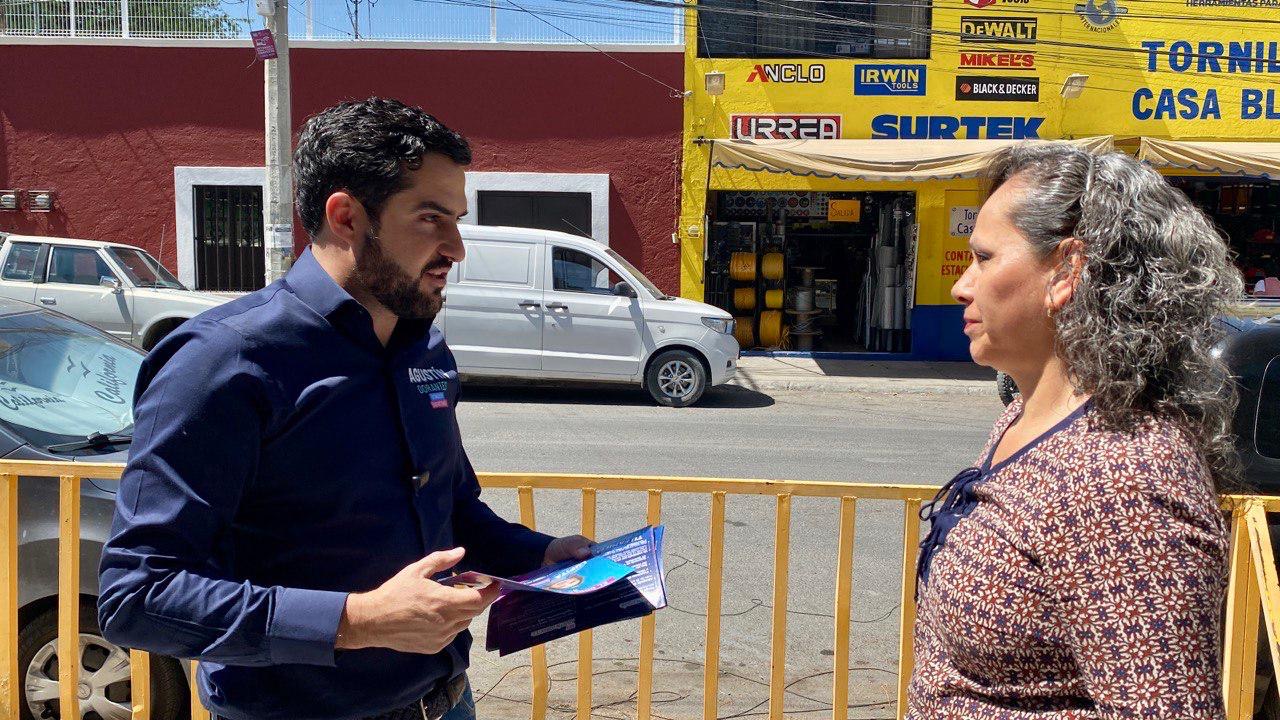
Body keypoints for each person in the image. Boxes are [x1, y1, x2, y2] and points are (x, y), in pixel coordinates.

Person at [97, 98, 593, 720]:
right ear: (346, 216)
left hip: (446, 700)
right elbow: (136, 596)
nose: (457, 248)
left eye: (457, 219)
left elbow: (452, 512)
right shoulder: (221, 362)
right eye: (431, 218)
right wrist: (354, 621)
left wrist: (542, 556)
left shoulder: (426, 349)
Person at [908, 144, 1241, 718]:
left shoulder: (1123, 475)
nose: (962, 287)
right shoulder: (1025, 414)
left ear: (1067, 269)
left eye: (985, 259)